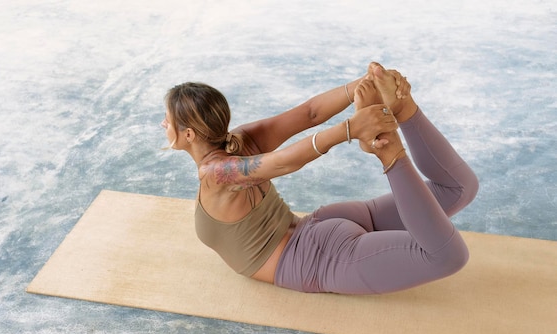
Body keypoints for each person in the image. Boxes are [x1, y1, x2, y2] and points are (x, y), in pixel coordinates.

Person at [161, 62, 479, 294]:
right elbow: (310, 113)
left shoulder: (214, 174)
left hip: (317, 259)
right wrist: (360, 91)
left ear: (188, 134)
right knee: (458, 189)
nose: (164, 124)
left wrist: (356, 112)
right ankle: (404, 110)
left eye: (168, 119)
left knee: (448, 256)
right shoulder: (239, 142)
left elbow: (284, 160)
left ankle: (391, 152)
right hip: (325, 224)